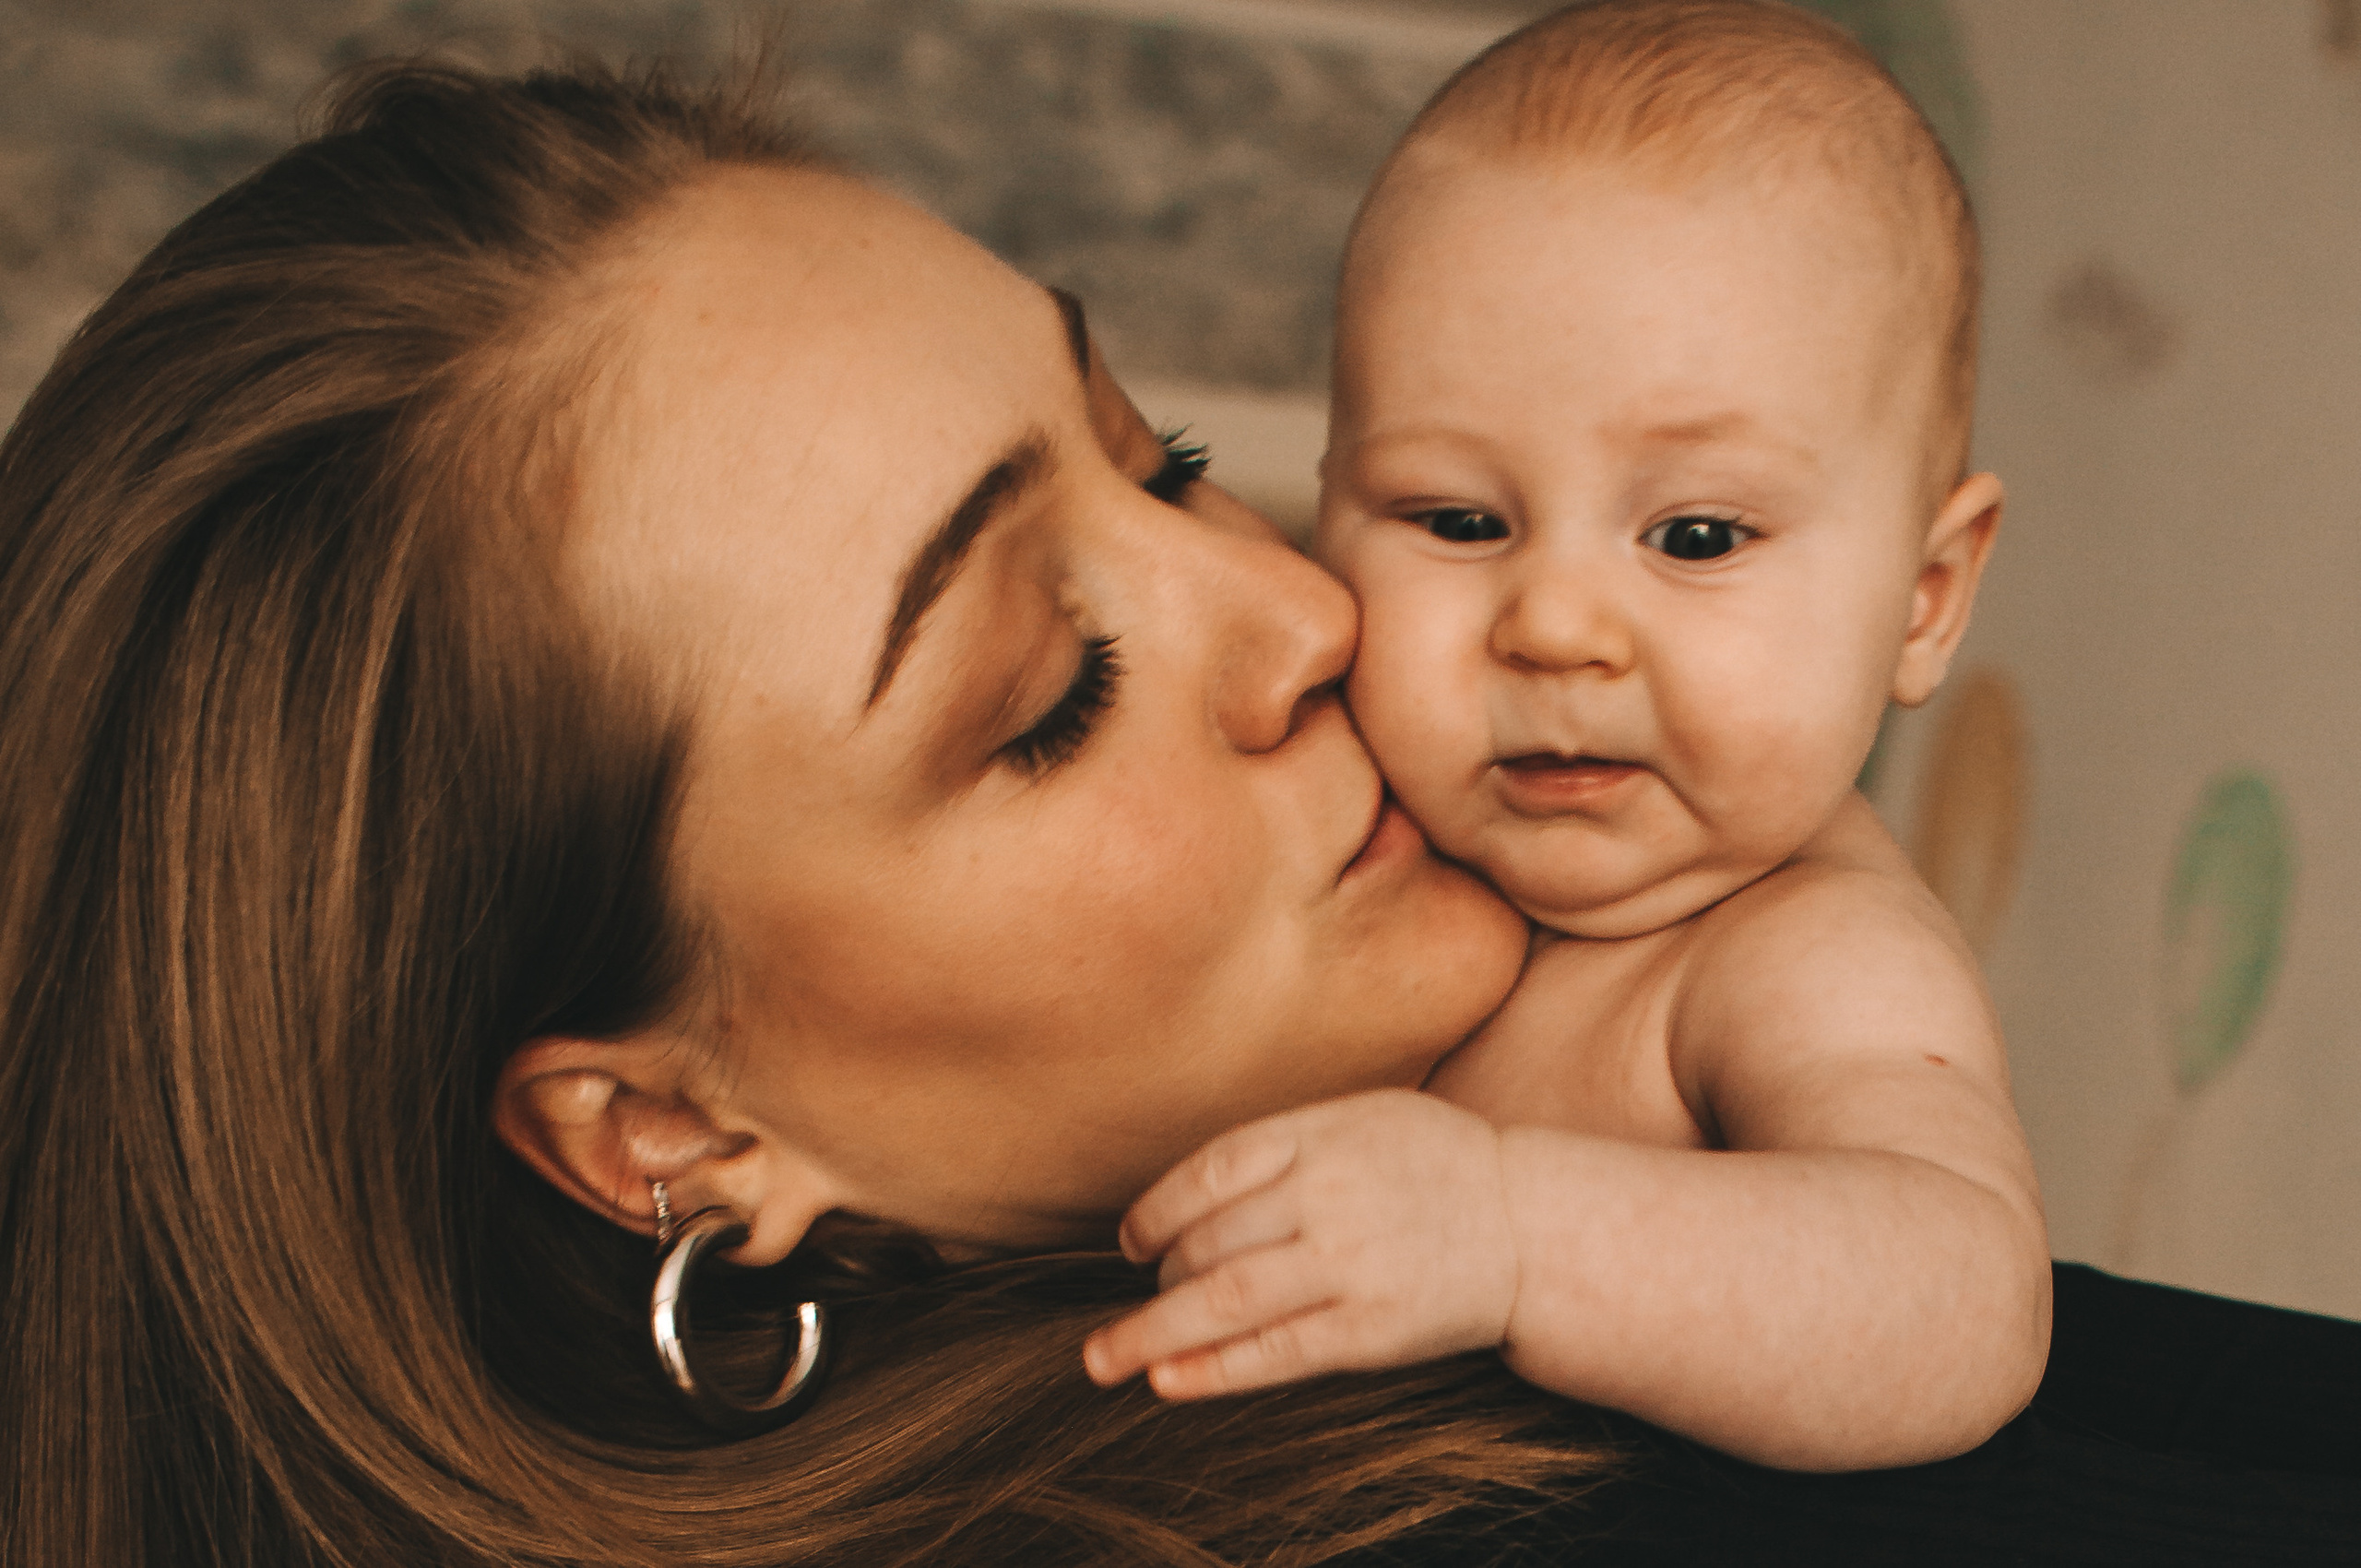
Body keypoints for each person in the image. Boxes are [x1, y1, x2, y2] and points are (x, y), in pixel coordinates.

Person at [5, 37, 2361, 1568]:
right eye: (1050, 690)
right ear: (661, 1136)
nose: (1309, 615)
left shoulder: (1746, 962)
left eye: (1173, 461)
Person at [1083, 0, 2046, 1472]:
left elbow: (1958, 1299)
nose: (1555, 629)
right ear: (1331, 505)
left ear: (1922, 602)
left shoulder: (1791, 950)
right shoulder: (1368, 825)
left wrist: (1515, 1237)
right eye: (1459, 521)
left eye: (1699, 534)